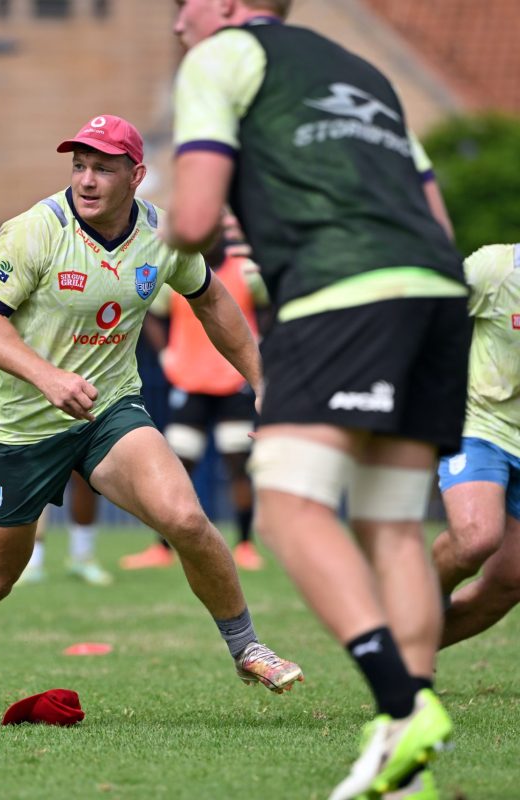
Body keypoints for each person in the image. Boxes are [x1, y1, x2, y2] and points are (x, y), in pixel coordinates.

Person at [0, 113, 304, 726]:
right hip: (25, 427)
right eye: (79, 166)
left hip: (110, 409)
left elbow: (212, 299)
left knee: (186, 518)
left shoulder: (162, 235)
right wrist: (48, 378)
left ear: (135, 176)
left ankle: (246, 647)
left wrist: (262, 380)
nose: (86, 180)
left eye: (103, 169)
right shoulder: (34, 231)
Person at [165, 3, 470, 798]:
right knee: (392, 525)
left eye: (183, 5)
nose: (177, 23)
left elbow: (192, 220)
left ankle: (402, 707)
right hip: (437, 295)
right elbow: (436, 218)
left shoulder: (221, 57)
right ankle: (408, 772)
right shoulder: (363, 71)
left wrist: (172, 233)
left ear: (227, 5)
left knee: (289, 509)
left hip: (340, 292)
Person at [121, 212, 266, 572]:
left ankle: (245, 545)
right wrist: (166, 354)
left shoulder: (246, 271)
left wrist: (259, 349)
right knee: (177, 463)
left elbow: (268, 309)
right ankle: (161, 547)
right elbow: (152, 313)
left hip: (234, 381)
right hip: (189, 379)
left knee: (239, 464)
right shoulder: (179, 268)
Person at [432, 243, 520, 649]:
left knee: (510, 580)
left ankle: (406, 654)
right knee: (475, 538)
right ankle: (414, 602)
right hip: (481, 425)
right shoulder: (496, 269)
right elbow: (422, 318)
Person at [0, 358, 113, 586]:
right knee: (35, 475)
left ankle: (82, 555)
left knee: (86, 475)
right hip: (31, 399)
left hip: (83, 388)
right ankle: (33, 562)